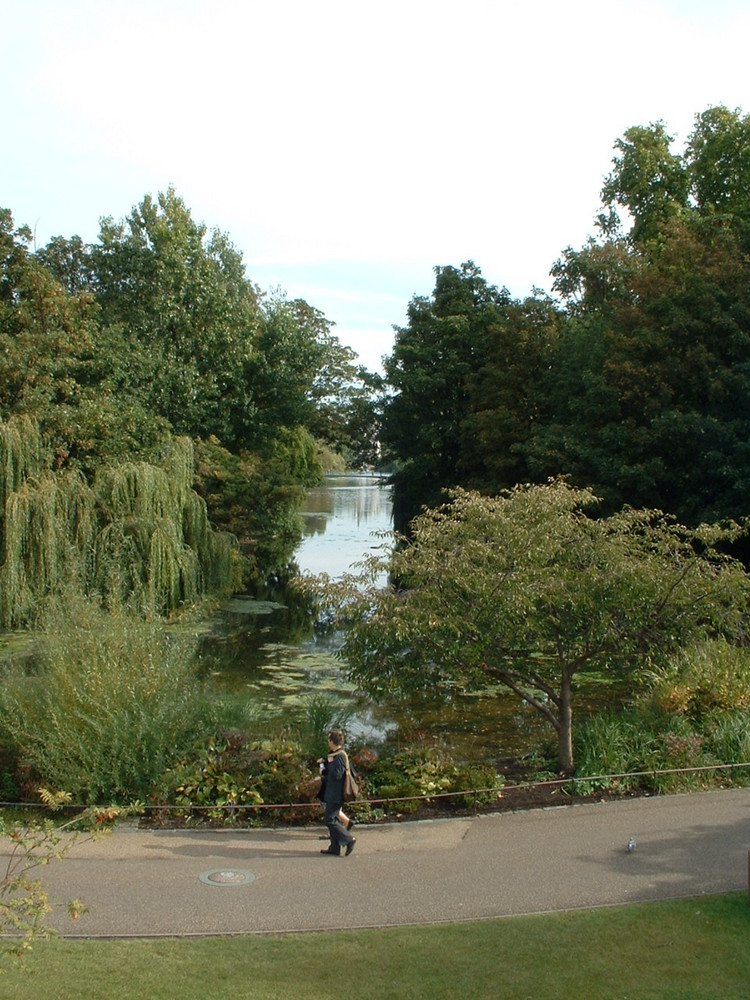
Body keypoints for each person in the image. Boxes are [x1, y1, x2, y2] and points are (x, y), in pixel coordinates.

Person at [317, 728, 356, 857]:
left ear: (332, 741)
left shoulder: (339, 756)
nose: (328, 742)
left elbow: (338, 775)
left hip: (336, 794)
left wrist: (330, 764)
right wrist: (324, 768)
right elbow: (330, 774)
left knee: (330, 820)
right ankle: (334, 847)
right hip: (332, 793)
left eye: (328, 739)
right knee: (333, 818)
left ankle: (349, 839)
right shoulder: (334, 756)